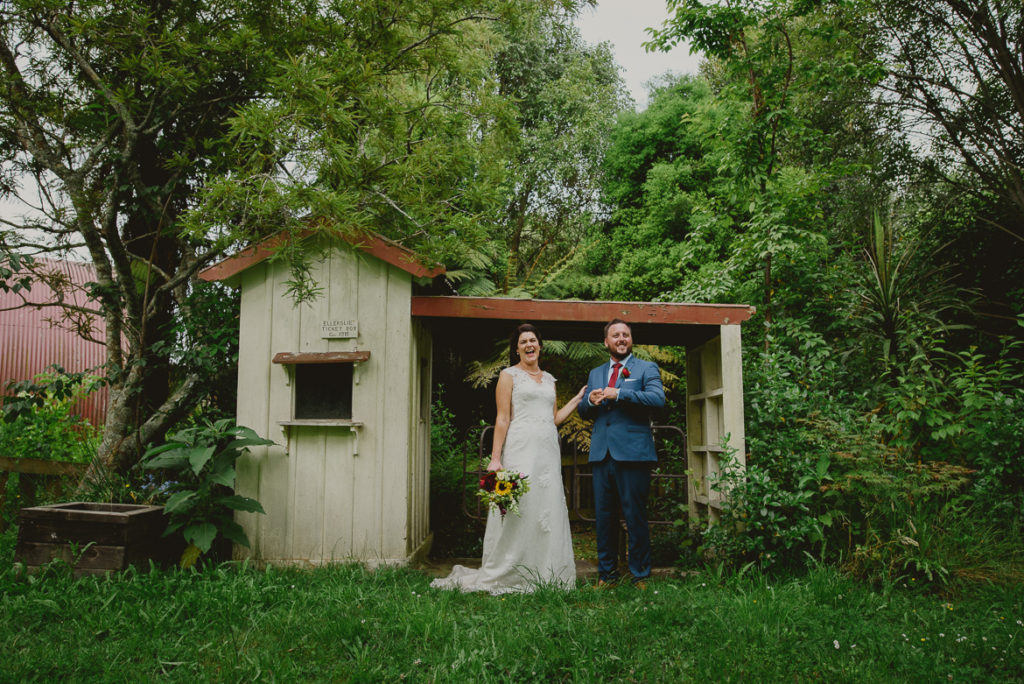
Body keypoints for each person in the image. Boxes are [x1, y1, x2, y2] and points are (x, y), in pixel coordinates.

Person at [431, 323, 585, 594]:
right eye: (523, 341)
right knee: (519, 508)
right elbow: (502, 417)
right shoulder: (508, 375)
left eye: (533, 340)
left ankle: (544, 570)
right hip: (520, 447)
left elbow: (554, 418)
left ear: (540, 345)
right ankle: (510, 569)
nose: (529, 345)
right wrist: (495, 458)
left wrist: (577, 399)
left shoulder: (549, 379)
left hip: (547, 452)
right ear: (517, 348)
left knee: (545, 509)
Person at [578, 318, 665, 587]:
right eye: (615, 335)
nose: (621, 339)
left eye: (625, 335)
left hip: (634, 454)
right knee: (604, 518)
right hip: (602, 454)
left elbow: (657, 399)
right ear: (606, 342)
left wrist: (621, 394)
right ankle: (607, 575)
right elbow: (583, 409)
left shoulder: (646, 368)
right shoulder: (595, 372)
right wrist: (590, 402)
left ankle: (640, 574)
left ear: (631, 340)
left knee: (635, 516)